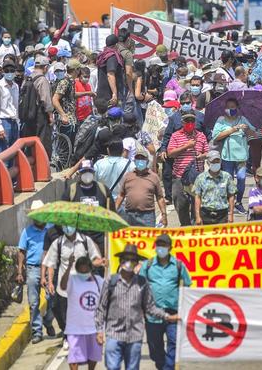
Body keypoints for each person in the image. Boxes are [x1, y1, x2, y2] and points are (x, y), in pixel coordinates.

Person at [95, 244, 178, 370]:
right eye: (126, 259)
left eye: (132, 260)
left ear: (136, 263)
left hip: (134, 337)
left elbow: (150, 307)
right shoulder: (110, 282)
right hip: (114, 335)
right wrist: (99, 330)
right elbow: (101, 308)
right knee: (112, 367)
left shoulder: (142, 283)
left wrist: (168, 316)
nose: (129, 262)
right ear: (120, 261)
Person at [139, 235, 191, 370]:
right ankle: (162, 365)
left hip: (173, 313)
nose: (161, 248)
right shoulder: (148, 265)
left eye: (164, 245)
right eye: (159, 245)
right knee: (155, 348)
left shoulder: (179, 265)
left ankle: (168, 367)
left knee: (174, 343)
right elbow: (140, 287)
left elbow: (187, 285)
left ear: (170, 248)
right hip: (153, 314)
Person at [43, 225, 103, 333]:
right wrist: (50, 282)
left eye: (70, 224)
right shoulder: (58, 243)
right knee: (62, 312)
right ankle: (67, 335)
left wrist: (101, 262)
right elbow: (51, 264)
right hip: (65, 288)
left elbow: (96, 259)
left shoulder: (86, 240)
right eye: (65, 225)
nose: (67, 227)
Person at [18, 200, 55, 343]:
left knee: (52, 298)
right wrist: (20, 271)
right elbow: (21, 251)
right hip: (33, 268)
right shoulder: (27, 232)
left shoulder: (51, 229)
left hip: (49, 267)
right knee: (34, 302)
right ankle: (37, 332)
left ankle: (48, 320)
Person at [212, 97, 253, 216]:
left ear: (237, 108)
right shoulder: (221, 120)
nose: (231, 109)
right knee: (228, 180)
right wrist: (233, 129)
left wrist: (247, 130)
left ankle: (238, 202)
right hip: (227, 156)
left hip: (241, 156)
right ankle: (229, 204)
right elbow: (216, 137)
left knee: (241, 178)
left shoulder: (243, 119)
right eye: (228, 107)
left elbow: (253, 133)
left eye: (233, 107)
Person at [61, 256, 103, 370]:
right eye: (81, 270)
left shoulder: (99, 281)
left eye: (86, 270)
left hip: (94, 327)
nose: (83, 273)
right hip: (75, 328)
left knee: (93, 356)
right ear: (77, 270)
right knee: (74, 358)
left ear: (90, 269)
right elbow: (62, 286)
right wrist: (69, 266)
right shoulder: (72, 279)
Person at [167, 111, 208, 226]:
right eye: (187, 121)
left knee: (197, 204)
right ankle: (185, 226)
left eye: (192, 121)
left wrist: (202, 155)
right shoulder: (176, 135)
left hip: (197, 176)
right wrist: (186, 146)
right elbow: (170, 153)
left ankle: (196, 226)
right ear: (182, 122)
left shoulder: (201, 135)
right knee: (181, 204)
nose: (190, 123)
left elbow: (207, 152)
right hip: (179, 176)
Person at [115, 152, 167, 228]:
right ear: (134, 161)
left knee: (148, 239)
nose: (140, 161)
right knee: (131, 239)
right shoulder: (128, 176)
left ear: (147, 161)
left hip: (147, 216)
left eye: (142, 159)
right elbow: (121, 195)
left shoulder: (153, 177)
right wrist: (114, 210)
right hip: (130, 215)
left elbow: (160, 198)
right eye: (138, 158)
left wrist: (164, 215)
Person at [194, 151, 235, 225]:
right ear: (208, 163)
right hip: (206, 214)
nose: (216, 163)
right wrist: (197, 216)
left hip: (222, 215)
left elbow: (231, 196)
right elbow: (197, 197)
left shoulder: (227, 177)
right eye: (213, 161)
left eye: (218, 161)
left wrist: (231, 214)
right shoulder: (201, 178)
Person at [0, 62, 19, 154]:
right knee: (3, 154)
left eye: (12, 70)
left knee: (13, 154)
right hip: (3, 122)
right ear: (3, 71)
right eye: (7, 70)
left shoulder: (16, 86)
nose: (9, 73)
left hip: (14, 122)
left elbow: (16, 105)